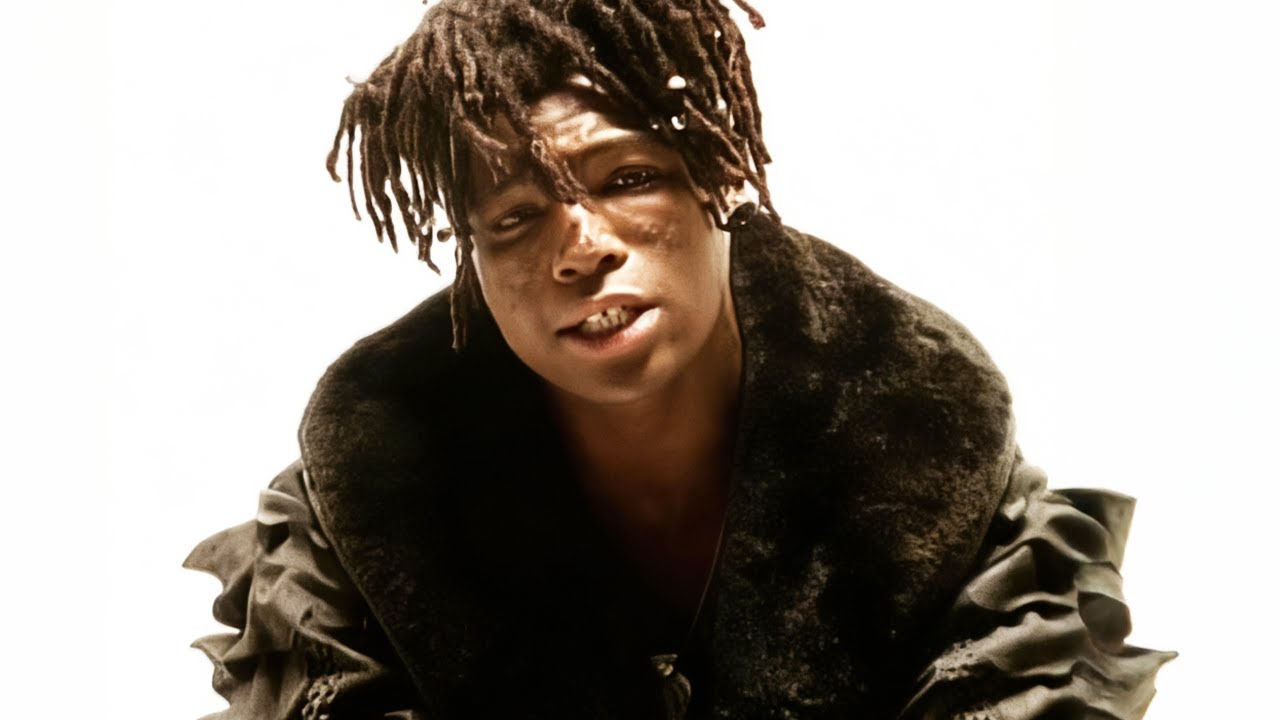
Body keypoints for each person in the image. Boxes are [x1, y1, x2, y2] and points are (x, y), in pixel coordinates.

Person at [185, 0, 1174, 717]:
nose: (580, 248)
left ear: (718, 177)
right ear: (471, 259)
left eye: (627, 177)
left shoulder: (937, 461)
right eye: (514, 218)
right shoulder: (356, 511)